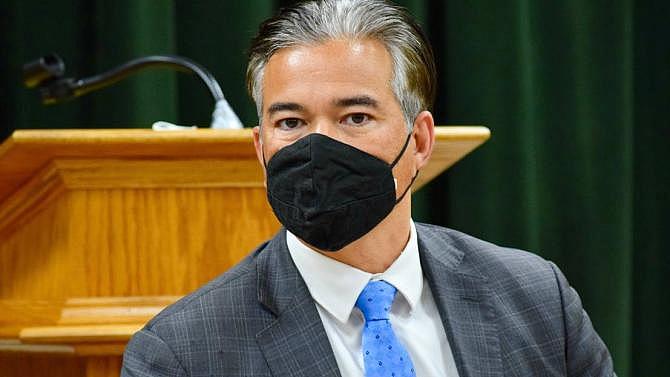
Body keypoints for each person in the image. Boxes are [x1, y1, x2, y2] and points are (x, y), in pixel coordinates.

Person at [121, 0, 615, 376]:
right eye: (291, 122)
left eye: (355, 116)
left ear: (420, 140)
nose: (319, 147)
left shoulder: (536, 298)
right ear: (260, 148)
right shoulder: (180, 354)